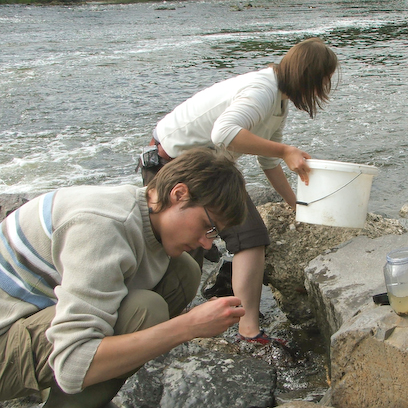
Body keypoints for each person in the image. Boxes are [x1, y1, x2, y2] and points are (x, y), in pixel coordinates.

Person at [0, 148, 248, 407]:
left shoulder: (142, 211)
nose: (207, 244)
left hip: (29, 313)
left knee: (182, 273)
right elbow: (72, 363)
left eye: (214, 234)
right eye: (208, 227)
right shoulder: (102, 227)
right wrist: (188, 327)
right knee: (144, 311)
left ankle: (82, 391)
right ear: (179, 194)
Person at [138, 37, 338, 345]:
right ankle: (248, 331)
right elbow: (225, 133)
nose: (322, 89)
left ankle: (172, 326)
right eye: (323, 81)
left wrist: (296, 204)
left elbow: (268, 160)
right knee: (248, 236)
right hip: (175, 167)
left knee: (190, 254)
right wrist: (286, 150)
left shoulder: (277, 101)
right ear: (308, 76)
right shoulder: (262, 91)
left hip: (201, 166)